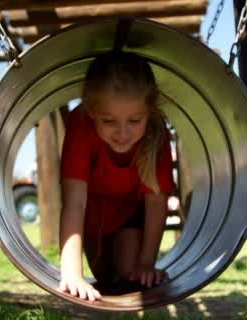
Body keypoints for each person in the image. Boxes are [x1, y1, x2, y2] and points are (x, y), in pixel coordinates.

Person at [58, 52, 175, 302]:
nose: (123, 133)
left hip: (129, 212)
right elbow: (74, 203)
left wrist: (146, 263)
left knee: (129, 276)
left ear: (149, 112)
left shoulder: (155, 133)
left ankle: (134, 265)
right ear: (91, 112)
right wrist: (72, 273)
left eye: (135, 120)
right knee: (103, 277)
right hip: (91, 214)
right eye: (109, 121)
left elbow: (156, 203)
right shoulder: (80, 125)